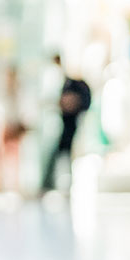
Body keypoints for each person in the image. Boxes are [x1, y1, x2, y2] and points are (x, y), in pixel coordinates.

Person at [41, 54, 90, 192]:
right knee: (60, 156)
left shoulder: (78, 85)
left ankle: (61, 185)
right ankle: (49, 184)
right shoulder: (65, 83)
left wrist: (67, 103)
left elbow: (77, 104)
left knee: (66, 156)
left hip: (73, 126)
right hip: (65, 125)